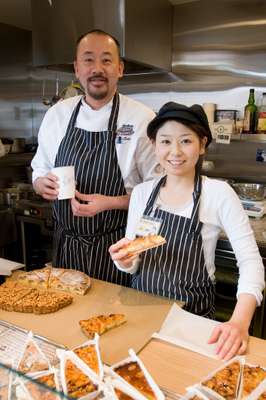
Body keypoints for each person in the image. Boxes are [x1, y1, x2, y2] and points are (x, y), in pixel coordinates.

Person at [109, 102, 265, 360]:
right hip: (141, 315)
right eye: (166, 141)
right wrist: (124, 261)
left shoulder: (218, 194)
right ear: (154, 144)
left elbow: (251, 263)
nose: (175, 152)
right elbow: (134, 263)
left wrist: (239, 322)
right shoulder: (142, 194)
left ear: (202, 144)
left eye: (186, 141)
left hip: (193, 321)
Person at [31, 29, 157, 285]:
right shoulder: (57, 115)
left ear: (120, 68)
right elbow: (39, 169)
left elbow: (158, 192)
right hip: (66, 248)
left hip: (119, 252)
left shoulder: (142, 119)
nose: (97, 68)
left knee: (113, 321)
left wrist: (110, 203)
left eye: (106, 60)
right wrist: (40, 184)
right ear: (77, 69)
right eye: (88, 60)